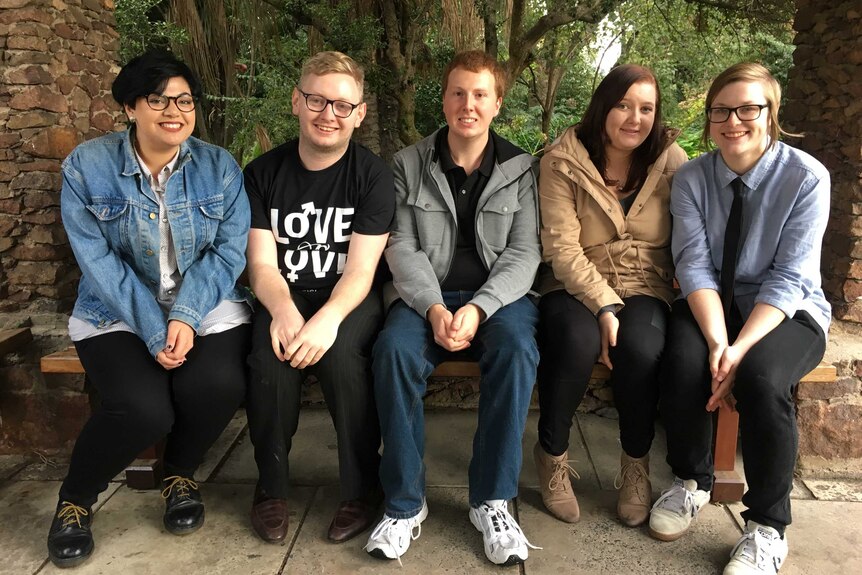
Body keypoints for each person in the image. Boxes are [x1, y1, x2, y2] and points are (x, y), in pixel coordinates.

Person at [48, 49, 252, 568]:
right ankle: (75, 499)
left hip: (204, 304)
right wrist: (153, 327)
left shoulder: (219, 167)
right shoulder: (88, 168)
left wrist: (184, 315)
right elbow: (97, 263)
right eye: (157, 98)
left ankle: (179, 473)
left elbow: (227, 253)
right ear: (129, 107)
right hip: (114, 309)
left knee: (217, 385)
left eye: (184, 100)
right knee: (143, 409)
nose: (173, 110)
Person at [648, 62, 831, 575]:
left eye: (748, 108)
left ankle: (768, 525)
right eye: (721, 111)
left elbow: (790, 278)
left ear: (771, 114)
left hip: (787, 310)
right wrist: (715, 341)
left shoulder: (806, 177)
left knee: (762, 377)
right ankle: (691, 481)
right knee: (682, 360)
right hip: (712, 302)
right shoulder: (691, 178)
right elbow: (693, 264)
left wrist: (740, 348)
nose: (734, 121)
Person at [365, 50, 541, 566]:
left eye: (480, 94)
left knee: (516, 350)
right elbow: (401, 246)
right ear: (443, 99)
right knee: (393, 352)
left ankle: (492, 500)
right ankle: (404, 503)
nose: (468, 104)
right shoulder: (407, 164)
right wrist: (436, 309)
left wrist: (482, 307)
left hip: (498, 300)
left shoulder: (520, 168)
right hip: (425, 298)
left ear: (497, 104)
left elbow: (525, 252)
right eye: (458, 93)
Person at [243, 51, 394, 545]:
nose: (329, 114)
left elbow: (362, 269)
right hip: (284, 294)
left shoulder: (371, 176)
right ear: (296, 101)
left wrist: (327, 318)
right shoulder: (263, 173)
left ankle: (360, 487)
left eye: (342, 105)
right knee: (270, 358)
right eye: (317, 100)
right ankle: (271, 488)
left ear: (360, 113)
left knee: (344, 356)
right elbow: (262, 264)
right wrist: (283, 309)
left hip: (346, 297)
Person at [534, 64, 687, 528]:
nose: (634, 118)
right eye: (623, 105)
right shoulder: (561, 161)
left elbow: (692, 236)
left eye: (646, 108)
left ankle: (635, 465)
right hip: (574, 282)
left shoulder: (672, 162)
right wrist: (603, 303)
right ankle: (552, 454)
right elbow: (561, 246)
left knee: (641, 347)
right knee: (577, 343)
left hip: (646, 283)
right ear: (603, 106)